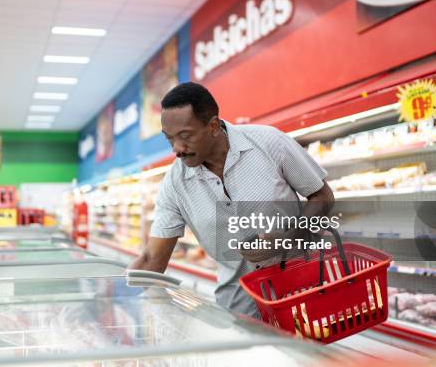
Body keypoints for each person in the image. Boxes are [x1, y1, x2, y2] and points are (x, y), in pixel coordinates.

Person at [129, 82, 334, 318]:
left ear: (213, 126)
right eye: (169, 139)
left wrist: (287, 239)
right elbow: (151, 258)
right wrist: (112, 299)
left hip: (300, 289)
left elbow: (322, 196)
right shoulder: (175, 184)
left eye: (185, 136)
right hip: (238, 307)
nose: (177, 148)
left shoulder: (269, 143)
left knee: (305, 354)